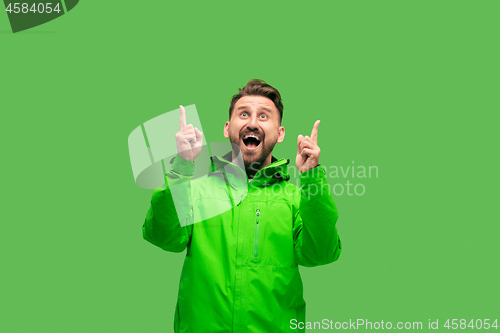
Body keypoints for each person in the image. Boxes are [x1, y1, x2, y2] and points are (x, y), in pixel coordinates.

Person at [142, 79, 342, 332]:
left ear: (280, 133)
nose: (252, 123)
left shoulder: (296, 199)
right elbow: (161, 235)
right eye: (244, 114)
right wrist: (182, 164)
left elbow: (322, 253)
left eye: (264, 116)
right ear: (227, 128)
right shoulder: (197, 192)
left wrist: (312, 176)